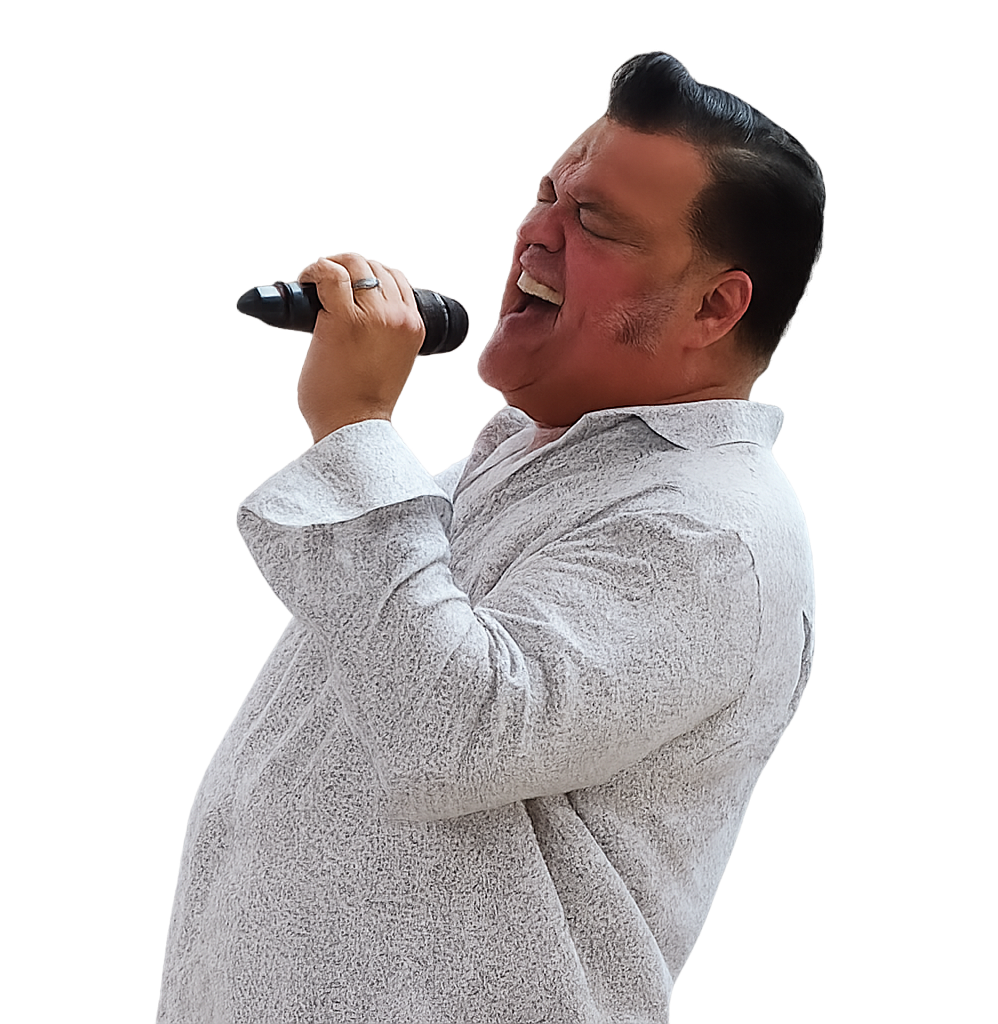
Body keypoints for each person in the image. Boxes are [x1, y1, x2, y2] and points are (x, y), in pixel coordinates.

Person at [159, 51, 824, 1023]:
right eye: (547, 196)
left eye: (595, 222)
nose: (535, 234)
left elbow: (450, 732)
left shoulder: (712, 535)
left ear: (714, 307)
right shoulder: (530, 460)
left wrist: (353, 428)